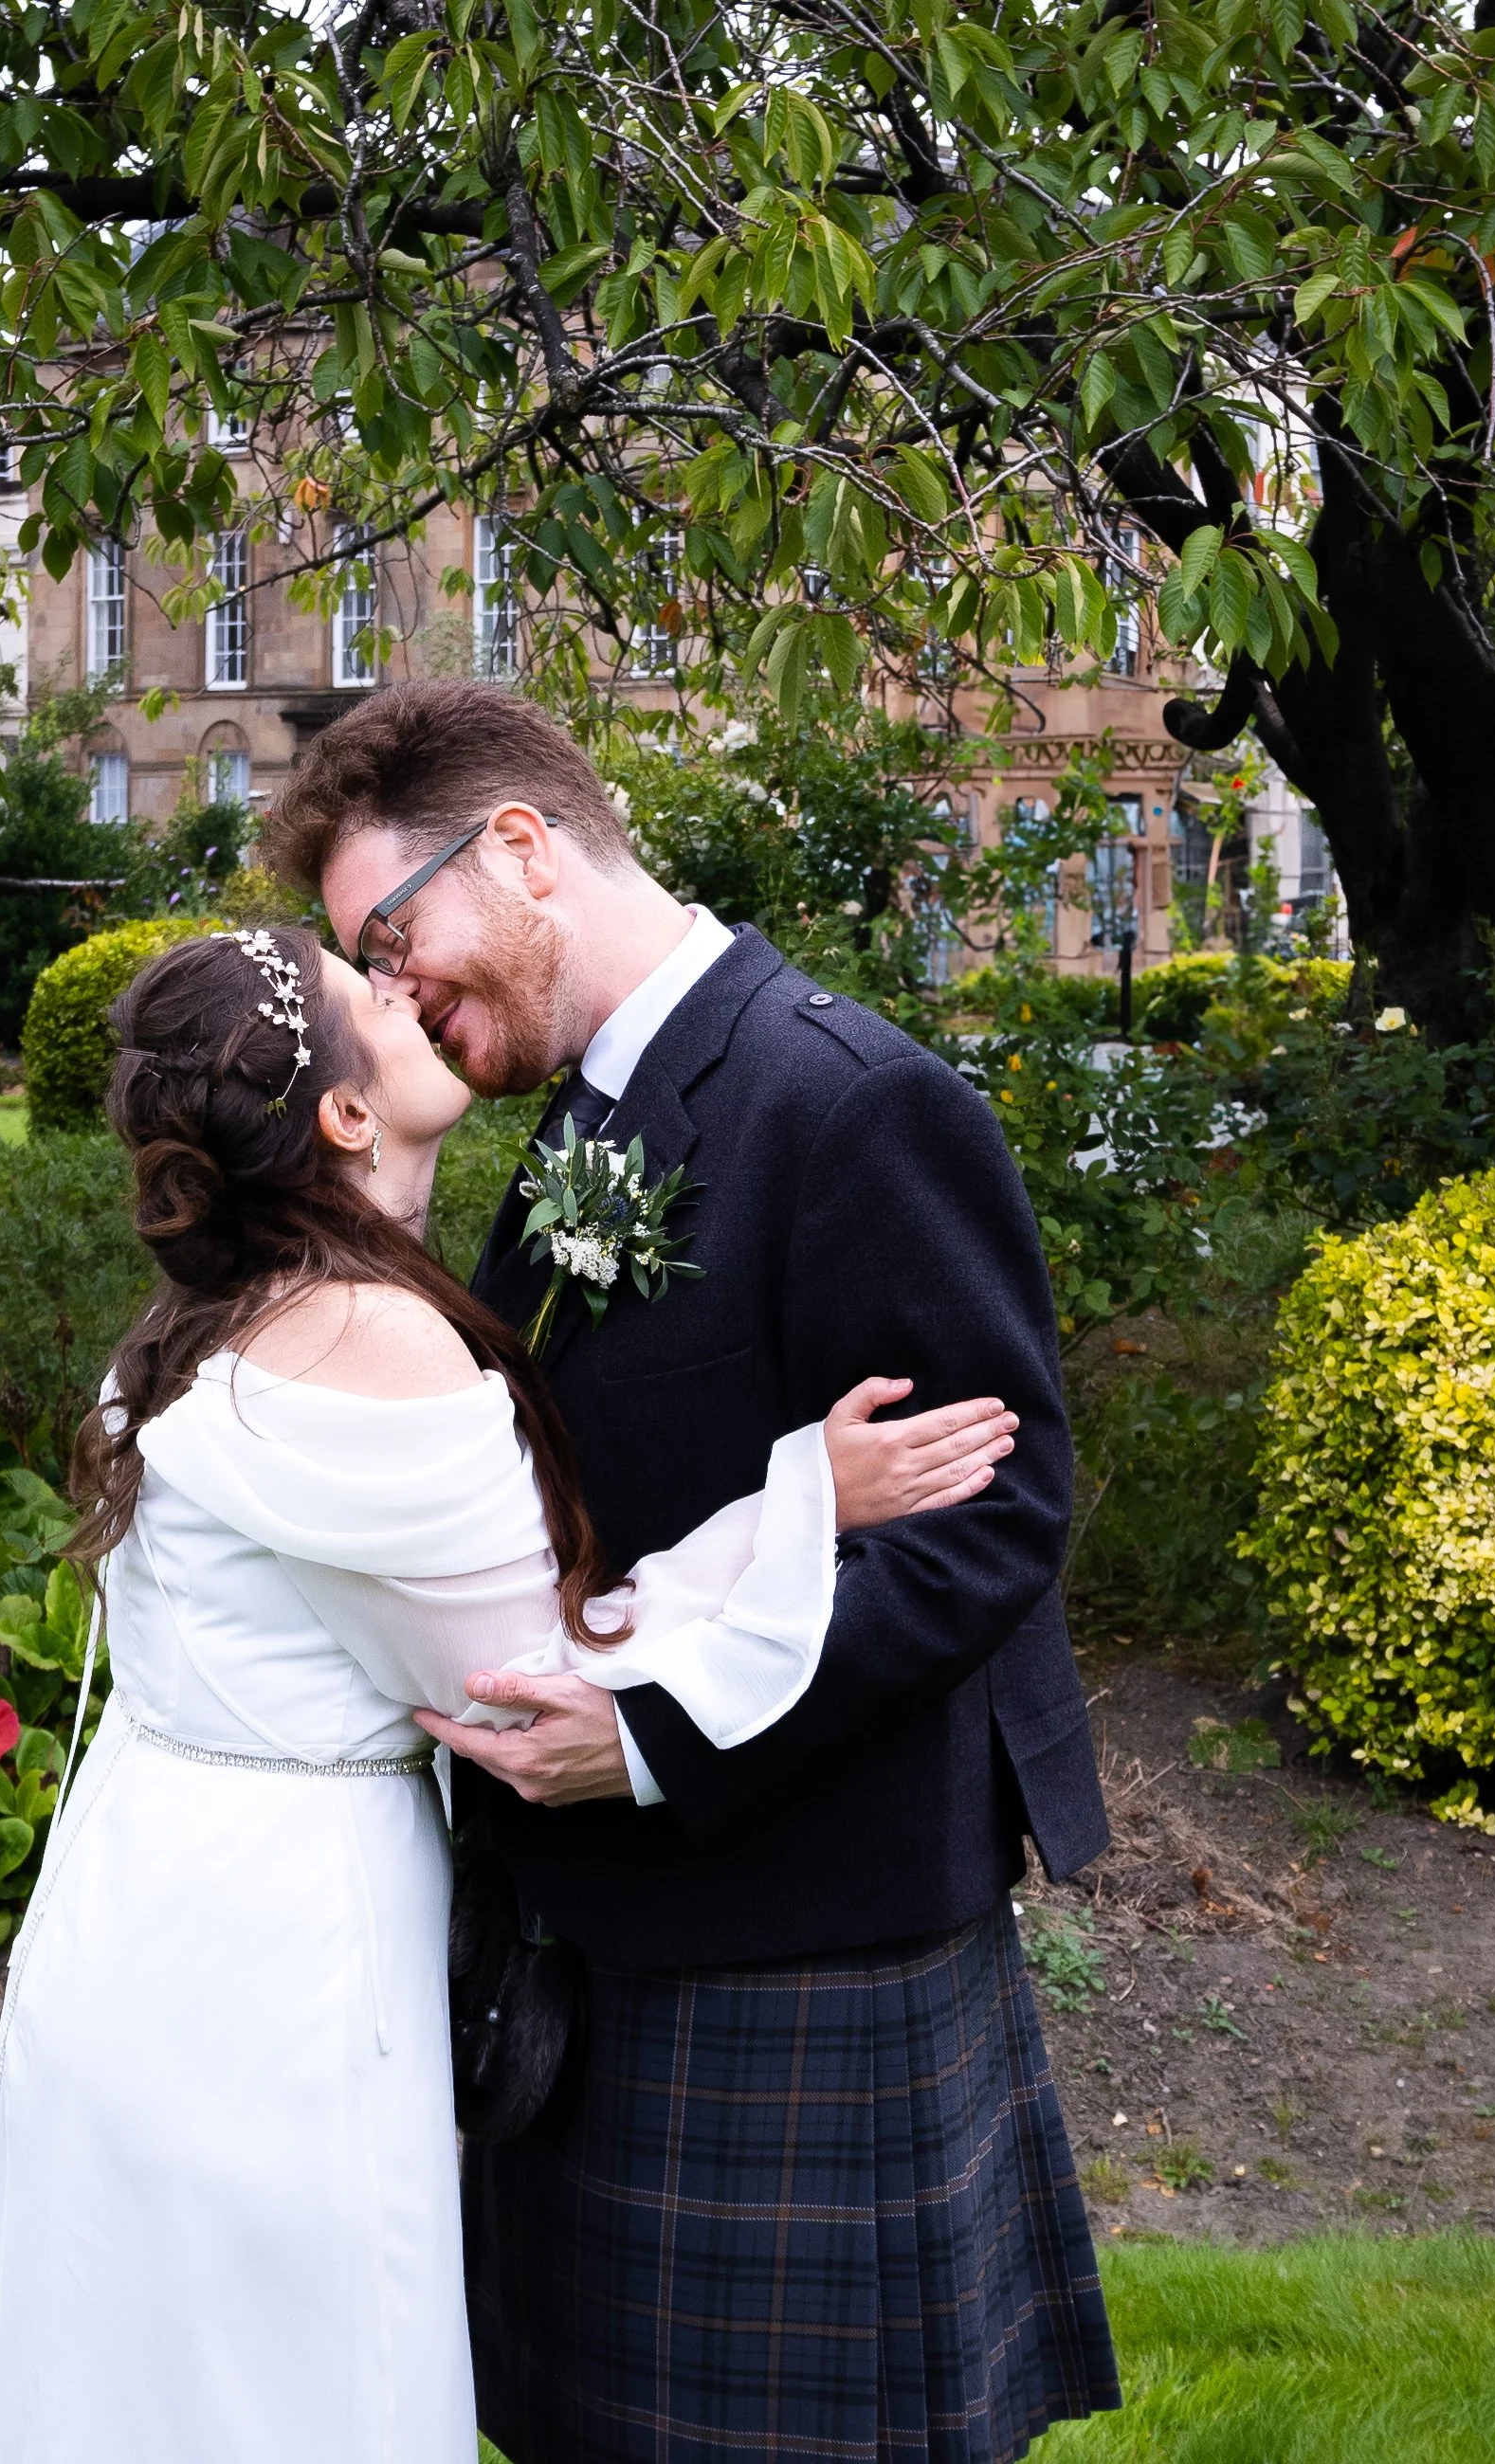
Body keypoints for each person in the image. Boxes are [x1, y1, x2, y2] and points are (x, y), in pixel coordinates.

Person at [0, 926, 1019, 2464]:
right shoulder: (375, 1342)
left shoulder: (205, 1312)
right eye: (359, 990)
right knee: (306, 2385)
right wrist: (801, 1504)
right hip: (281, 1954)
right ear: (339, 1115)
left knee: (137, 2375)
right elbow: (529, 1688)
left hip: (139, 1904)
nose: (399, 986)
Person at [269, 679, 1122, 2463]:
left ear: (517, 849)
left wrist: (651, 1730)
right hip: (617, 1937)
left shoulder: (850, 1102)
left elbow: (997, 1518)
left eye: (391, 937)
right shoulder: (587, 1117)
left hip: (799, 1942)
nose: (393, 993)